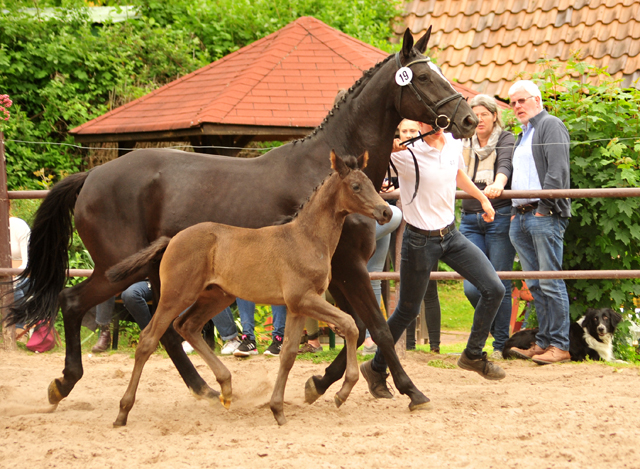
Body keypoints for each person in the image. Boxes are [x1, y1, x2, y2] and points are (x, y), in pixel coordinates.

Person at [360, 120, 507, 399]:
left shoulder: (452, 142)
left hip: (451, 235)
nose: (436, 125)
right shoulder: (406, 154)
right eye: (428, 120)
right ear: (419, 122)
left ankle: (473, 354)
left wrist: (482, 199)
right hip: (419, 241)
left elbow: (457, 174)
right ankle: (377, 367)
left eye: (440, 119)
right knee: (407, 311)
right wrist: (384, 146)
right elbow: (365, 159)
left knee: (495, 288)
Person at [507, 80, 572, 365]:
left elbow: (557, 171)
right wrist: (514, 210)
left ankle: (560, 344)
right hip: (521, 215)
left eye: (522, 100)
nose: (517, 106)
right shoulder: (523, 134)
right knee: (535, 284)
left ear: (537, 99)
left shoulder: (550, 124)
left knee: (550, 281)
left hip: (542, 214)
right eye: (513, 103)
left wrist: (544, 208)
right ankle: (544, 343)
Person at [459, 94, 517, 360]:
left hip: (499, 216)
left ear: (494, 116)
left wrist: (498, 184)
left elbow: (504, 164)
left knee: (499, 282)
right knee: (473, 286)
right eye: (475, 114)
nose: (479, 119)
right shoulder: (463, 140)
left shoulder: (505, 139)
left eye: (484, 114)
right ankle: (496, 332)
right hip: (470, 219)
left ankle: (499, 345)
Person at [120, 280, 241, 355]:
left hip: (185, 277)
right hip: (153, 279)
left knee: (190, 285)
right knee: (130, 294)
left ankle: (232, 339)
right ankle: (152, 339)